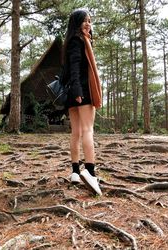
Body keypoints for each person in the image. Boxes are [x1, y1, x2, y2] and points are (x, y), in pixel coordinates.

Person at [62, 9, 102, 196]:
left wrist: (75, 90)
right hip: (81, 91)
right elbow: (75, 68)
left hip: (73, 92)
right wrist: (79, 90)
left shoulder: (74, 41)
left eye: (90, 21)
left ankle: (75, 172)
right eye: (84, 21)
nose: (88, 24)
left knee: (76, 132)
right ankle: (91, 173)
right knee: (87, 130)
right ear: (76, 23)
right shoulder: (77, 41)